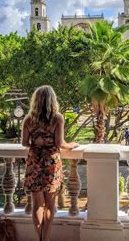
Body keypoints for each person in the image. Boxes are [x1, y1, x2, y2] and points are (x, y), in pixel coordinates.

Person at [22, 85, 79, 241]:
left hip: (34, 162)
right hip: (50, 163)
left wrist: (37, 141)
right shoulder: (57, 118)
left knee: (37, 204)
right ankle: (45, 239)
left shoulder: (28, 119)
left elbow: (24, 143)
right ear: (52, 100)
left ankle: (38, 237)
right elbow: (60, 143)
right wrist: (72, 145)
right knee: (49, 204)